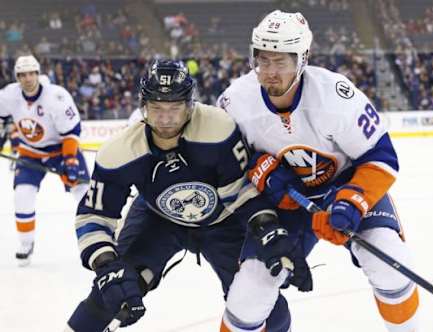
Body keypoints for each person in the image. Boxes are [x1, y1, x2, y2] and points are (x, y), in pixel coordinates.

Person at [64, 59, 304, 332]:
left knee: (262, 303)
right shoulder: (120, 151)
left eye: (174, 108)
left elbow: (240, 192)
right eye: (156, 108)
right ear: (143, 106)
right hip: (157, 219)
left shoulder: (218, 129)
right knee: (111, 291)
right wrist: (106, 265)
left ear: (190, 106)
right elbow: (95, 215)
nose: (165, 118)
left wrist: (267, 227)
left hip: (223, 220)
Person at [217, 10, 420, 332]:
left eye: (280, 62)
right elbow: (225, 164)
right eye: (262, 61)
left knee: (390, 263)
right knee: (249, 294)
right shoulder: (235, 102)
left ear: (302, 59)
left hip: (345, 188)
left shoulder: (336, 96)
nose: (269, 72)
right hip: (283, 206)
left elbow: (381, 157)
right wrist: (257, 169)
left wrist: (353, 200)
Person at [0, 55, 90, 266]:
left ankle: (99, 238)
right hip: (30, 150)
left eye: (32, 73)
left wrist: (70, 160)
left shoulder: (56, 97)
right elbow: (2, 117)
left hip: (61, 149)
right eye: (22, 74)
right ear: (17, 77)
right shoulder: (9, 95)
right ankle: (26, 243)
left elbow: (72, 130)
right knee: (22, 195)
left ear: (38, 74)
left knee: (84, 193)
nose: (28, 78)